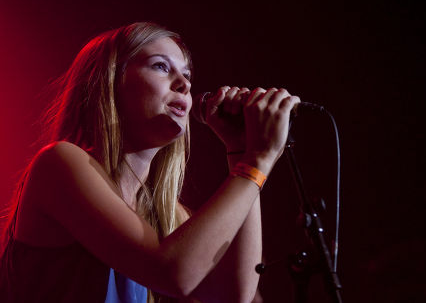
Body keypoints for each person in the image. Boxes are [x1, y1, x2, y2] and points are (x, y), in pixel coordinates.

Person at [0, 22, 299, 303]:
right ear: (110, 82)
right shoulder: (59, 164)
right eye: (160, 66)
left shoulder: (167, 215)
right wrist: (256, 161)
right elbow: (171, 273)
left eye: (187, 75)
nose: (183, 83)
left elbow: (234, 295)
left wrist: (241, 154)